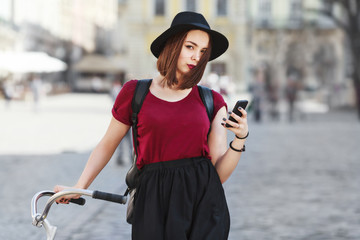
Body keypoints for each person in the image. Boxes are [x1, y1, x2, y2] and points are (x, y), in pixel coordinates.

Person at [54, 11, 249, 240]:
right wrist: (78, 187)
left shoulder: (212, 101)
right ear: (173, 45)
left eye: (203, 51)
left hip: (204, 203)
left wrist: (240, 139)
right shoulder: (135, 93)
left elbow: (218, 174)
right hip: (152, 202)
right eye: (190, 46)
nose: (196, 56)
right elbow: (107, 144)